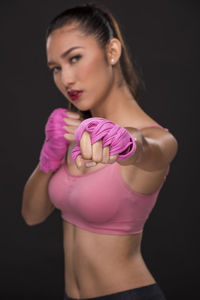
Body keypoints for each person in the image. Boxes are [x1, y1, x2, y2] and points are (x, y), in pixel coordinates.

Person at [21, 2, 178, 300]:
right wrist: (48, 158)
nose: (65, 79)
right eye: (56, 68)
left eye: (75, 58)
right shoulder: (72, 131)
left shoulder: (159, 139)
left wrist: (126, 142)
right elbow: (31, 215)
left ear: (112, 51)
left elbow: (150, 149)